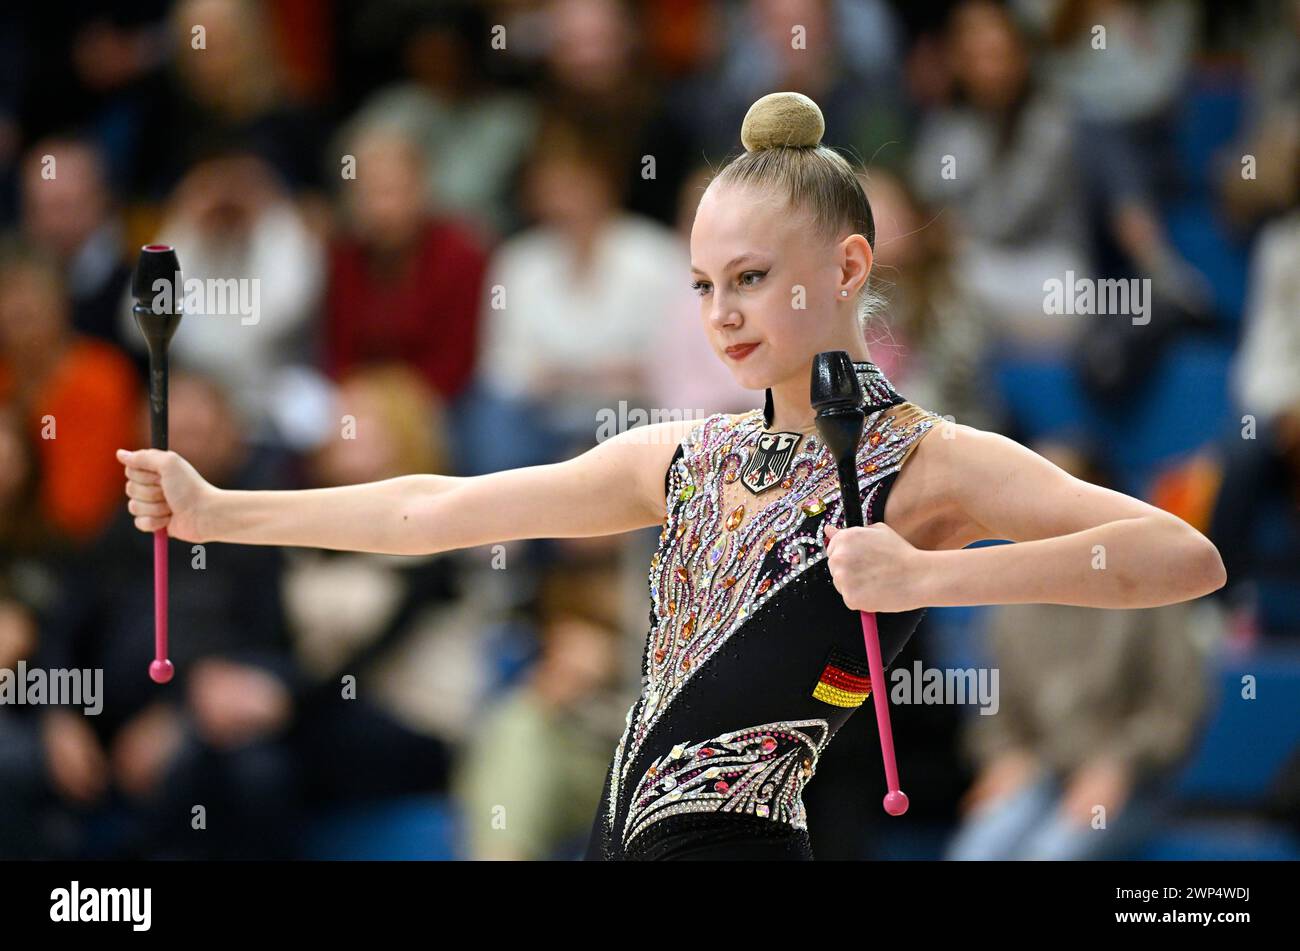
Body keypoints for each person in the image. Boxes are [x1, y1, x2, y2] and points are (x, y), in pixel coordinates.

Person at [114, 92, 1227, 861]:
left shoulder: (931, 460)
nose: (721, 315)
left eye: (748, 277)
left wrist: (930, 583)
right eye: (700, 285)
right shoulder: (690, 454)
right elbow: (436, 508)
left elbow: (1179, 556)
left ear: (845, 267)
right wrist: (219, 508)